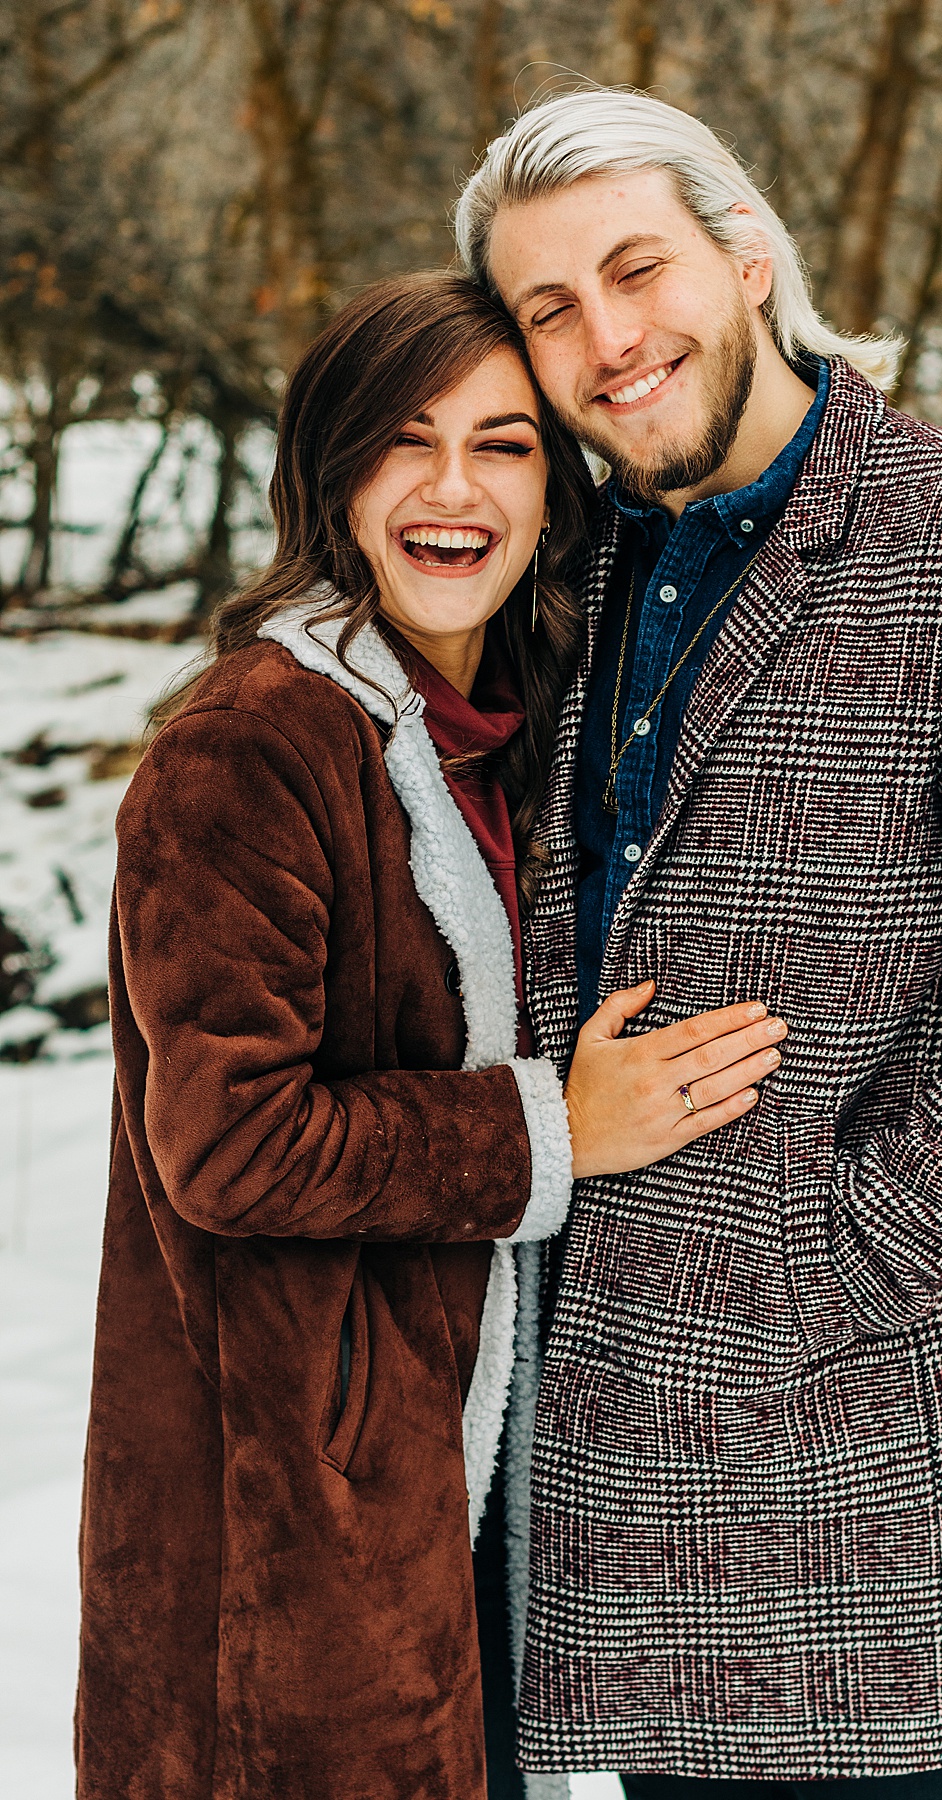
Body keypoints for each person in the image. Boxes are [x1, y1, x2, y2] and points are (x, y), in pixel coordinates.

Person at [455, 90, 942, 1795]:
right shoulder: (565, 556)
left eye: (638, 270)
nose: (607, 340)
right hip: (584, 1461)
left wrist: (822, 1258)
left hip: (852, 1486)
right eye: (548, 310)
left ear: (749, 253)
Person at [74, 272, 791, 1800]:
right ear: (332, 476)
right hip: (296, 1517)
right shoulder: (248, 749)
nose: (455, 490)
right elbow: (229, 1145)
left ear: (558, 488)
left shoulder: (515, 736)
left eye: (507, 444)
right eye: (407, 442)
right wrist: (555, 1130)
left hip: (474, 1491)